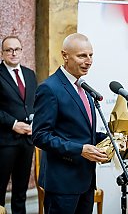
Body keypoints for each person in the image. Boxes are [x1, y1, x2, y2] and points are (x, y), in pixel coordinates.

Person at [32, 33, 108, 214]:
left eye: (91, 55)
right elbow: (40, 136)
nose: (88, 61)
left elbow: (82, 133)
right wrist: (80, 150)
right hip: (62, 184)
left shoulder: (83, 86)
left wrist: (111, 139)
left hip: (86, 180)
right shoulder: (49, 88)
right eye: (82, 55)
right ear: (65, 55)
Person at [0, 36, 37, 213]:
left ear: (22, 51)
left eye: (17, 49)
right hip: (5, 141)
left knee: (20, 192)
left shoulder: (30, 75)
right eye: (9, 50)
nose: (13, 53)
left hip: (27, 141)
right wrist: (13, 124)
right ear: (3, 52)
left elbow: (33, 104)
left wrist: (35, 121)